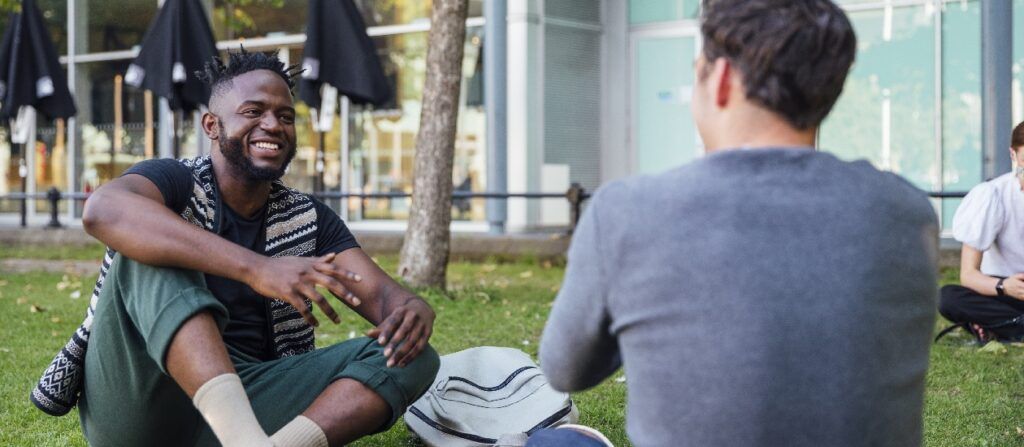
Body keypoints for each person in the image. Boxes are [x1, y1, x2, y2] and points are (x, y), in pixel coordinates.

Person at [536, 0, 939, 446]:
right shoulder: (908, 212)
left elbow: (563, 368)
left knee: (557, 442)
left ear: (721, 79)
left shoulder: (627, 211)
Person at [43, 49, 439, 446]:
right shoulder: (174, 181)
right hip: (142, 402)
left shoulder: (308, 218)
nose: (273, 125)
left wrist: (411, 310)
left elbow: (387, 299)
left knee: (413, 357)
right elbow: (103, 211)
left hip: (253, 397)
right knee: (150, 243)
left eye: (286, 116)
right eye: (254, 112)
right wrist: (258, 268)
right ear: (212, 125)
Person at [938, 121, 1024, 343]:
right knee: (948, 297)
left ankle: (1004, 327)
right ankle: (1010, 324)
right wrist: (1004, 286)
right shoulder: (993, 195)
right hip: (1002, 292)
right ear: (1013, 155)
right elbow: (969, 275)